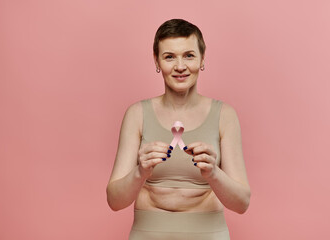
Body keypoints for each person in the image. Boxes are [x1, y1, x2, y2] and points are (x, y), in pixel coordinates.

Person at [106, 18, 251, 240]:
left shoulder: (225, 115)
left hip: (208, 233)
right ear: (157, 61)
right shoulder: (137, 114)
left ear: (202, 58)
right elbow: (115, 201)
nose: (180, 66)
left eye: (189, 55)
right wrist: (140, 172)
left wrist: (213, 173)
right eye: (169, 57)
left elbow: (242, 203)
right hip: (147, 233)